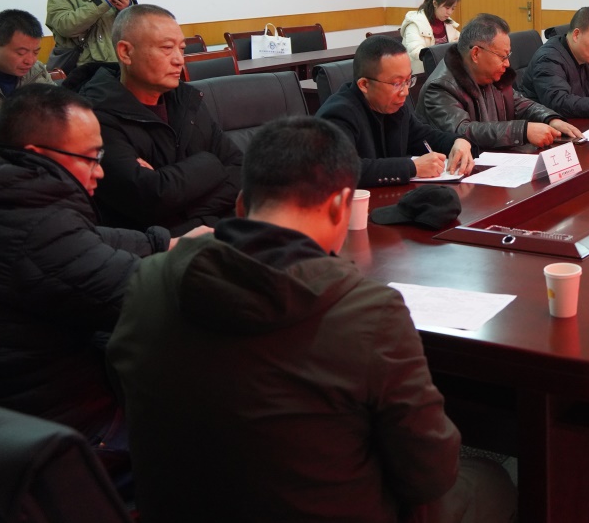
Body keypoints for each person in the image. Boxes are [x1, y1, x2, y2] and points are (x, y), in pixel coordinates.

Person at [107, 117, 516, 523]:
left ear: (241, 205)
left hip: (179, 508)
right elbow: (430, 473)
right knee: (492, 479)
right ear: (340, 206)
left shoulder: (149, 281)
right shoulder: (369, 312)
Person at [0, 84, 171, 455]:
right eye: (91, 158)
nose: (100, 172)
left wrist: (161, 243)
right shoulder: (36, 229)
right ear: (38, 154)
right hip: (63, 428)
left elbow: (85, 240)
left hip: (2, 414)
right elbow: (157, 296)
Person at [81, 4, 243, 234]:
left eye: (182, 49)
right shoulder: (94, 117)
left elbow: (240, 169)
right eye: (167, 48)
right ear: (125, 52)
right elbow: (150, 201)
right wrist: (211, 162)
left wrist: (180, 207)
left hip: (215, 231)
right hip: (156, 247)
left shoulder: (186, 100)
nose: (179, 60)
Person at [317, 35, 474, 186]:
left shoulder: (395, 107)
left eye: (408, 81)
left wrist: (459, 142)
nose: (405, 92)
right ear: (364, 84)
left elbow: (425, 137)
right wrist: (412, 168)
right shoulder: (338, 114)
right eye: (396, 83)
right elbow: (342, 170)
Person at [420, 13, 582, 149]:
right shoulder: (440, 87)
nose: (507, 64)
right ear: (476, 54)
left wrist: (550, 119)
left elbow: (519, 104)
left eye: (508, 56)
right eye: (502, 57)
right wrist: (522, 131)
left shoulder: (491, 74)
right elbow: (463, 131)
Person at [0, 9, 53, 141]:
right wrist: (7, 127)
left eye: (35, 52)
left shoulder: (37, 71)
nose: (30, 61)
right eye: (21, 53)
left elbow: (58, 107)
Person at [402, 0, 462, 75]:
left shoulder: (449, 24)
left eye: (453, 9)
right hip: (420, 74)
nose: (450, 12)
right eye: (447, 8)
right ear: (435, 3)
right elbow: (415, 51)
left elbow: (461, 44)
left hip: (443, 73)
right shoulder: (415, 24)